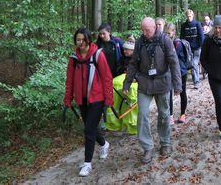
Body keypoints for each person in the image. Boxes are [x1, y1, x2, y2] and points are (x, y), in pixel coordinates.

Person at [123, 17, 182, 164]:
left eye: (147, 30)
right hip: (145, 83)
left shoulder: (165, 40)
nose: (144, 33)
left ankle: (165, 142)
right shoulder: (140, 42)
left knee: (163, 114)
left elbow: (174, 62)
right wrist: (127, 83)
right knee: (142, 114)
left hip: (162, 82)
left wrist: (177, 85)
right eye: (142, 30)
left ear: (155, 27)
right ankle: (147, 147)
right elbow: (133, 64)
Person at [64, 27, 113, 177]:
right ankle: (104, 144)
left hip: (97, 99)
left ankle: (87, 163)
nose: (80, 42)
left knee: (88, 130)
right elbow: (70, 80)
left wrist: (108, 99)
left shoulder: (97, 55)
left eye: (82, 39)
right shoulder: (74, 58)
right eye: (77, 40)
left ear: (88, 40)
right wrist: (67, 99)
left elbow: (107, 78)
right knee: (90, 128)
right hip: (81, 99)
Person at [107, 35, 138, 134]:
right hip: (121, 81)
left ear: (132, 51)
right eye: (124, 49)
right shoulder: (122, 59)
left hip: (132, 82)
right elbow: (118, 69)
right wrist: (122, 70)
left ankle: (132, 125)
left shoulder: (138, 60)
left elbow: (141, 71)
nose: (124, 51)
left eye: (127, 50)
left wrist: (135, 78)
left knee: (130, 97)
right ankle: (115, 122)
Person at [166, 24, 189, 124]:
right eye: (165, 33)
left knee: (182, 92)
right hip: (169, 71)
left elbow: (172, 56)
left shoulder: (177, 43)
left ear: (174, 32)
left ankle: (182, 114)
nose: (167, 35)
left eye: (169, 33)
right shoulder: (166, 42)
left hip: (181, 71)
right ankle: (170, 116)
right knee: (169, 93)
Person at [180, 9, 204, 89]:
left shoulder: (197, 24)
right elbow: (182, 37)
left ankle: (196, 82)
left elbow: (201, 36)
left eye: (190, 16)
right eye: (187, 16)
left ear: (192, 16)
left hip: (197, 48)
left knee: (194, 64)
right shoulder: (183, 25)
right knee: (190, 64)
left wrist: (200, 46)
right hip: (187, 49)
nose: (189, 18)